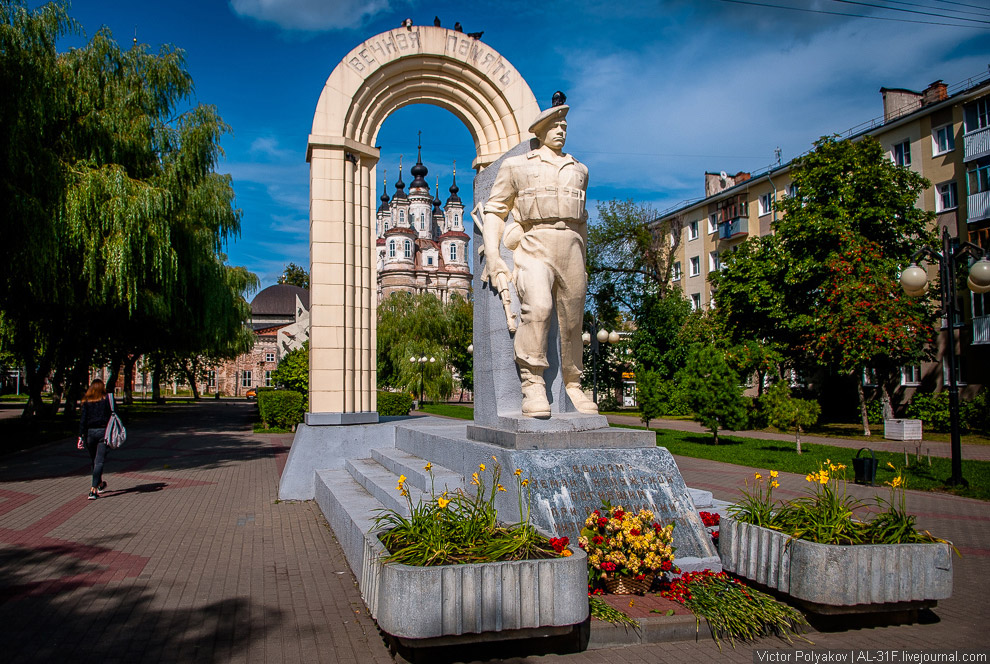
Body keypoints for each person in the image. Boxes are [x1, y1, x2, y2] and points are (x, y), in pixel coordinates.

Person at [481, 98, 599, 418]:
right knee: (539, 307)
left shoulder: (579, 170)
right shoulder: (517, 166)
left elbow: (583, 219)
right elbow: (495, 211)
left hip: (572, 246)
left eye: (564, 127)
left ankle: (573, 382)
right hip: (534, 243)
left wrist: (584, 259)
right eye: (555, 126)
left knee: (573, 320)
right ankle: (532, 382)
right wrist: (493, 255)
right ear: (542, 131)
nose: (561, 131)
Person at [77, 378, 112, 500]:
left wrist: (80, 436)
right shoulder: (106, 400)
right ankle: (93, 490)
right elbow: (112, 415)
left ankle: (100, 484)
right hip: (103, 432)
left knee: (94, 461)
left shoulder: (87, 401)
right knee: (99, 461)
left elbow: (83, 420)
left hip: (89, 433)